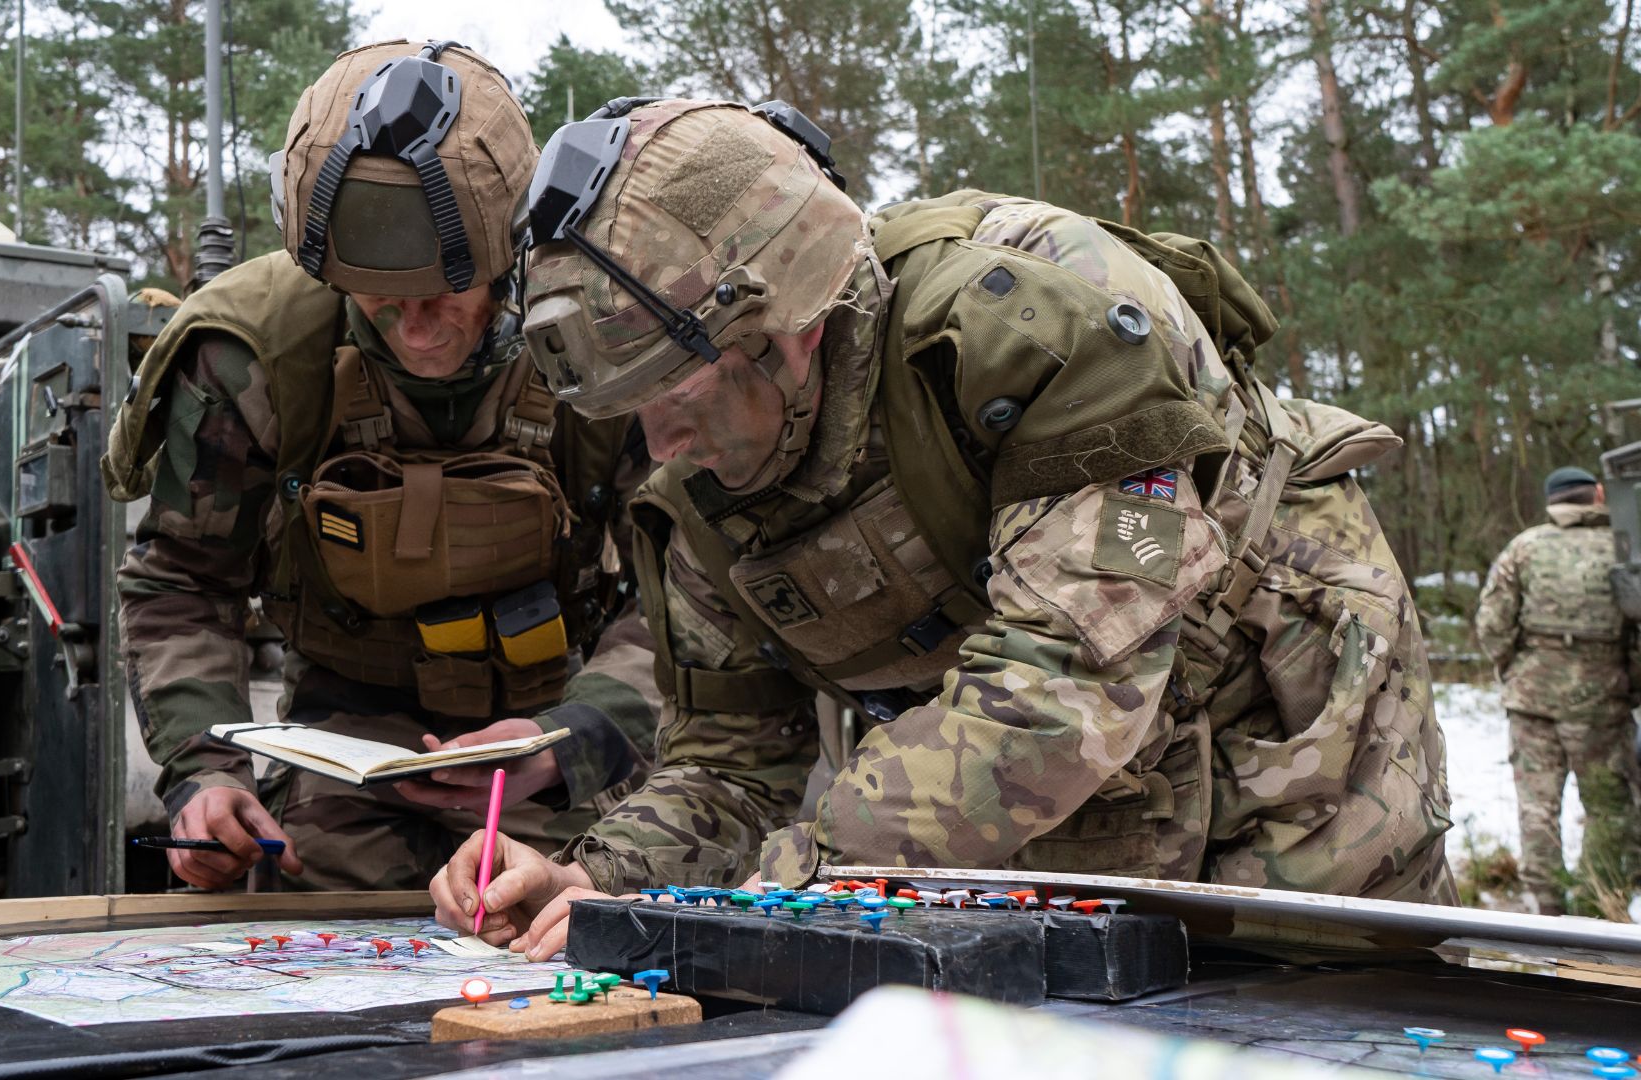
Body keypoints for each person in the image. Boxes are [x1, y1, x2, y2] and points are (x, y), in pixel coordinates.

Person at [431, 98, 1454, 957]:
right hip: (1001, 777)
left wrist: (784, 881)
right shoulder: (698, 471)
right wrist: (599, 873)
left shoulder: (1038, 319)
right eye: (630, 409)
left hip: (1274, 708)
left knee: (1330, 1006)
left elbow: (1061, 691)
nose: (660, 443)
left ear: (786, 331)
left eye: (678, 393)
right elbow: (738, 760)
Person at [103, 40, 658, 893]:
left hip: (558, 739)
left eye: (445, 294)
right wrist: (207, 772)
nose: (419, 330)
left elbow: (686, 595)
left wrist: (578, 737)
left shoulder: (600, 335)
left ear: (511, 250)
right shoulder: (254, 355)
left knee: (573, 939)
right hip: (342, 748)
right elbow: (183, 583)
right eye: (382, 300)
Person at [1475, 466, 1641, 916]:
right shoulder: (1624, 548)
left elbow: (1492, 625)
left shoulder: (1523, 548)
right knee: (1609, 807)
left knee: (1538, 808)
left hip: (1531, 702)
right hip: (1602, 703)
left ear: (1553, 501)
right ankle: (1598, 905)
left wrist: (1515, 669)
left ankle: (1545, 907)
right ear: (1597, 497)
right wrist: (1627, 682)